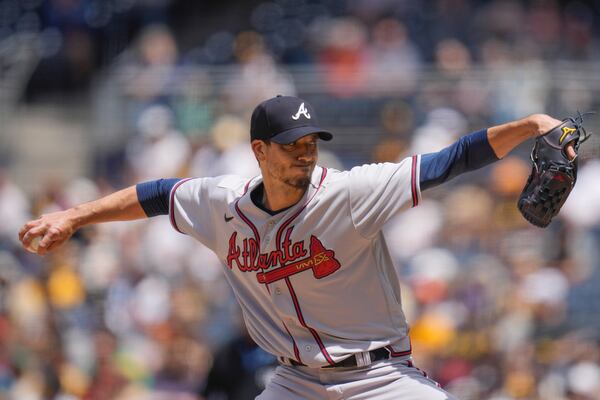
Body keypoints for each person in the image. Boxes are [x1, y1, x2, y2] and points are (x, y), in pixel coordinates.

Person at [20, 95, 566, 399]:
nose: (305, 155)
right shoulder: (222, 203)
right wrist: (74, 215)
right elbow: (157, 194)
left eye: (310, 144)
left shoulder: (352, 192)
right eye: (291, 146)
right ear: (259, 150)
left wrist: (533, 124)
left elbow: (455, 158)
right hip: (294, 381)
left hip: (380, 378)